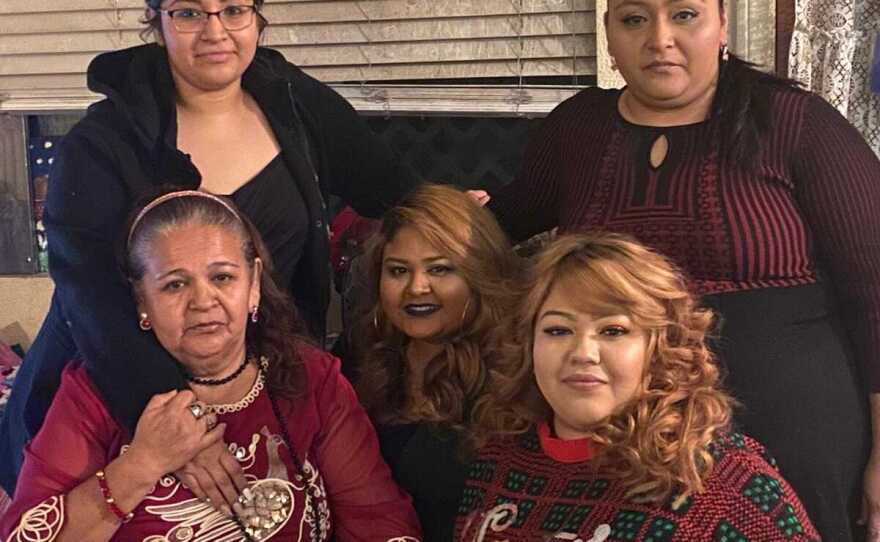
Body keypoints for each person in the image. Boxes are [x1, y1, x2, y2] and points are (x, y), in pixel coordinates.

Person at [485, 0, 880, 538]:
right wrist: (442, 226)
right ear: (608, 32)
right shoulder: (576, 129)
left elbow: (874, 291)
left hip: (794, 437)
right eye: (633, 18)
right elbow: (498, 226)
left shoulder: (796, 123)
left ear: (722, 24)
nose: (659, 38)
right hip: (624, 453)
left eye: (685, 15)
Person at [0, 0, 422, 496]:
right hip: (120, 388)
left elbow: (394, 188)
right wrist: (178, 425)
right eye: (189, 13)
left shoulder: (294, 102)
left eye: (233, 10)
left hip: (257, 384)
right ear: (158, 22)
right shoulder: (101, 144)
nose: (214, 30)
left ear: (256, 18)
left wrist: (461, 218)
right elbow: (92, 303)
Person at [0, 190, 422, 542]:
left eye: (222, 277)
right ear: (141, 302)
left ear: (253, 285)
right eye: (175, 284)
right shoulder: (96, 392)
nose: (203, 301)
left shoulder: (308, 377)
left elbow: (379, 520)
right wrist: (142, 464)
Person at [455, 232, 819, 541]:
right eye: (557, 330)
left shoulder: (723, 480)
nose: (583, 353)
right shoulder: (499, 460)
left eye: (613, 331)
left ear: (659, 347)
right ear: (527, 343)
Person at [353, 184, 520, 542]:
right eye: (398, 271)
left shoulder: (516, 374)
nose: (416, 287)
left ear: (478, 275)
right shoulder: (359, 356)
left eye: (440, 270)